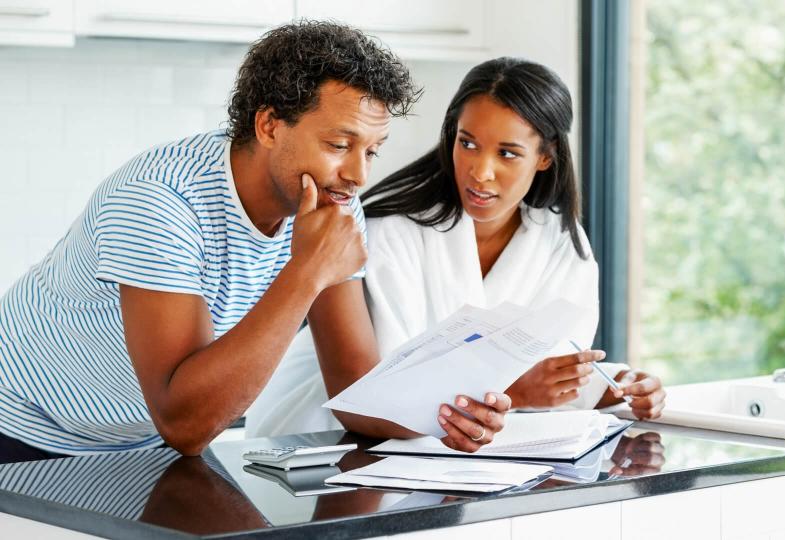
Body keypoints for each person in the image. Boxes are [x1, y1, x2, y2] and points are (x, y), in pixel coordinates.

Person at [0, 20, 510, 462]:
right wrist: (306, 273)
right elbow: (186, 425)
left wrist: (445, 417)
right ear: (268, 125)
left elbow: (356, 391)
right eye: (338, 145)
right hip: (24, 429)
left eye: (372, 151)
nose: (357, 174)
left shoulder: (333, 200)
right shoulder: (159, 202)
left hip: (140, 439)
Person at [247, 58, 666, 443]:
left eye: (507, 153)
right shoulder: (391, 231)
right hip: (322, 436)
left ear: (545, 157)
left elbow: (555, 368)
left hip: (453, 451)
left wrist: (617, 384)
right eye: (468, 143)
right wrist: (514, 391)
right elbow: (389, 391)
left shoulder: (559, 241)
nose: (480, 172)